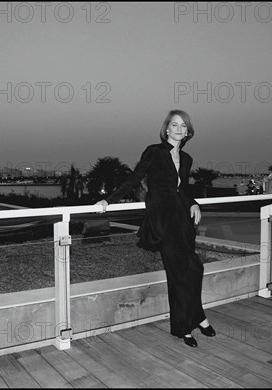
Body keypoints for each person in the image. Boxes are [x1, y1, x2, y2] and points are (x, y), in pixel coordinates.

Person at [95, 109, 215, 347]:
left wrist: (194, 204)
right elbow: (134, 177)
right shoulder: (154, 152)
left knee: (194, 269)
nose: (180, 129)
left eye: (184, 126)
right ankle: (184, 327)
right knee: (179, 274)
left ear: (188, 131)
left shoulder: (187, 158)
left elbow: (182, 189)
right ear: (167, 129)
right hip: (164, 221)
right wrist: (109, 200)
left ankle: (198, 316)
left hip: (184, 219)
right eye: (175, 125)